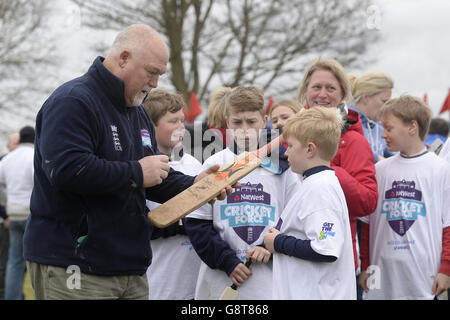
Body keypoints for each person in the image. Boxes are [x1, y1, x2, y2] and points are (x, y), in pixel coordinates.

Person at [22, 24, 234, 300]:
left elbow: (154, 175)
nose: (155, 83)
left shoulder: (137, 111)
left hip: (129, 266)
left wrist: (196, 184)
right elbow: (67, 170)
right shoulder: (72, 101)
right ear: (123, 58)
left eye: (160, 74)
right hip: (75, 264)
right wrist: (136, 171)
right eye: (152, 72)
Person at [184, 86, 299, 300]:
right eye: (237, 122)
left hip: (270, 285)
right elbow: (197, 223)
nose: (244, 129)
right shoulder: (214, 163)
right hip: (220, 282)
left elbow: (294, 219)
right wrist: (227, 260)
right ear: (228, 122)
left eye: (251, 122)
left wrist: (270, 245)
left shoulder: (286, 167)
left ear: (264, 120)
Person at [251, 107, 356, 299]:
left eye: (290, 145)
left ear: (309, 149)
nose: (285, 152)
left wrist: (279, 242)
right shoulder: (310, 183)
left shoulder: (321, 188)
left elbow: (326, 247)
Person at [296, 57, 378, 294]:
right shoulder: (286, 137)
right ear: (305, 92)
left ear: (342, 95)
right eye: (316, 87)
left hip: (335, 261)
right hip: (287, 256)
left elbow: (367, 202)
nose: (323, 94)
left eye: (331, 88)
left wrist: (326, 168)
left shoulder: (354, 141)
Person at [358, 95, 450, 299]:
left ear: (412, 127)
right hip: (380, 275)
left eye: (388, 128)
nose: (383, 135)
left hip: (423, 277)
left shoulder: (441, 170)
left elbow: (448, 225)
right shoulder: (379, 170)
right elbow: (367, 226)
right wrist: (365, 267)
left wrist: (445, 269)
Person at [142, 89, 203, 300]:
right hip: (157, 281)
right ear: (150, 126)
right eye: (173, 121)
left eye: (182, 120)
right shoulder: (142, 168)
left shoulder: (194, 165)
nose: (181, 127)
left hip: (193, 283)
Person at [0, 126, 35, 300]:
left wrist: (6, 207)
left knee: (14, 262)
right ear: (35, 140)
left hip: (13, 215)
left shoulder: (7, 159)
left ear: (20, 139)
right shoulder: (35, 156)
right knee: (37, 261)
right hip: (32, 216)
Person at [348, 71, 394, 162]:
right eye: (384, 101)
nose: (387, 108)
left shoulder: (380, 127)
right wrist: (378, 159)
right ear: (366, 97)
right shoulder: (345, 123)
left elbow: (394, 156)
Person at [0, 132, 20, 299]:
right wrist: (5, 215)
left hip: (17, 217)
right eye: (15, 143)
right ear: (8, 145)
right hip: (8, 219)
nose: (18, 146)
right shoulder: (4, 161)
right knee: (8, 261)